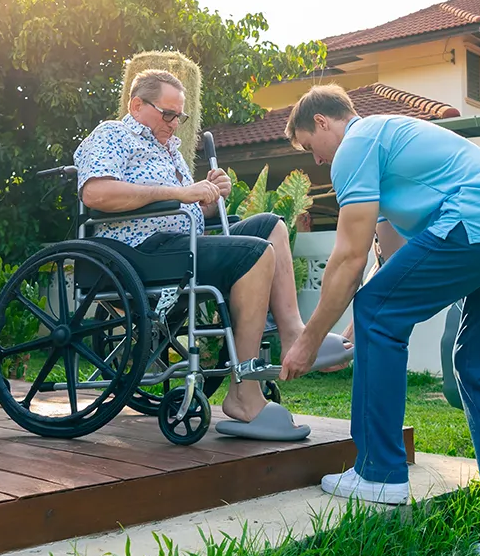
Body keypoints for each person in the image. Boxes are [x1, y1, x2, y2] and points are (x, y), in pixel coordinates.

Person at [277, 85, 480, 556]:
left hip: (479, 223)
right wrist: (359, 325)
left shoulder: (355, 144)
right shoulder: (389, 142)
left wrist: (307, 341)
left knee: (381, 315)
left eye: (309, 146)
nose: (317, 160)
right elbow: (387, 259)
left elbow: (348, 257)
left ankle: (379, 472)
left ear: (322, 122)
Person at [74, 66, 314, 435]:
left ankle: (293, 332)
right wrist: (179, 192)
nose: (174, 124)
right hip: (139, 251)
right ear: (136, 105)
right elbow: (96, 193)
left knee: (272, 226)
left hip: (181, 242)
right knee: (254, 253)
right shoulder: (113, 134)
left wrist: (209, 198)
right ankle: (244, 395)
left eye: (179, 116)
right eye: (167, 114)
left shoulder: (169, 150)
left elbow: (185, 208)